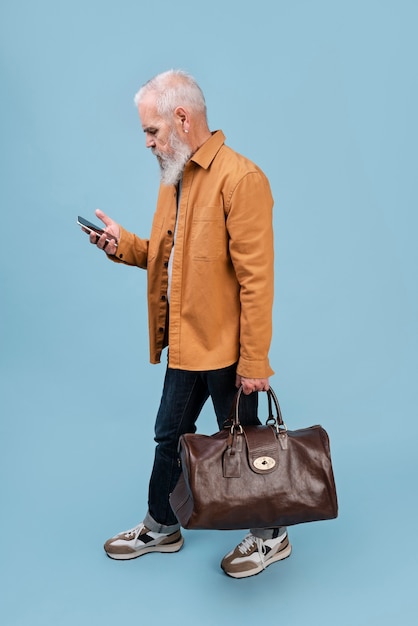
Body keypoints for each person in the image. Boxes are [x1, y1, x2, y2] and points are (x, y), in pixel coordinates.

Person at [83, 69, 291, 578]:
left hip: (228, 349)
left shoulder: (241, 179)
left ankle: (270, 535)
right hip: (185, 344)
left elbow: (256, 281)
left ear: (182, 117)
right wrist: (123, 246)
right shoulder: (174, 179)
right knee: (169, 437)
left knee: (240, 440)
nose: (149, 143)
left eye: (152, 131)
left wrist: (255, 361)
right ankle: (162, 525)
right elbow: (170, 259)